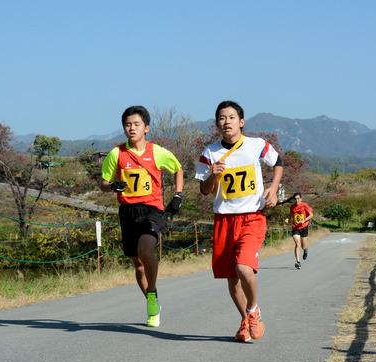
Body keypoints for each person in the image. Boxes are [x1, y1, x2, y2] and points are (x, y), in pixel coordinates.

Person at [195, 100, 283, 342]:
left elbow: (278, 163)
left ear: (241, 122)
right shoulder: (210, 153)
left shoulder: (256, 145)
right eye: (222, 118)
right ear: (216, 124)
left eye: (231, 117)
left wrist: (274, 190)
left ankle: (253, 311)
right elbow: (204, 190)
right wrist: (213, 176)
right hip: (224, 219)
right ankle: (245, 320)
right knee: (232, 279)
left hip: (252, 217)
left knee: (244, 267)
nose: (227, 122)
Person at [99, 105, 184, 327]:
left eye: (136, 124)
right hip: (127, 212)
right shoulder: (116, 154)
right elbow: (103, 182)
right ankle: (151, 301)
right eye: (128, 125)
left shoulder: (157, 152)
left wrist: (177, 195)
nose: (131, 128)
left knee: (146, 249)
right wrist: (112, 186)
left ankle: (153, 293)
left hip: (152, 210)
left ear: (146, 128)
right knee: (137, 264)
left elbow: (178, 168)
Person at [287, 192, 313, 269]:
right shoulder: (292, 207)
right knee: (297, 244)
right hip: (295, 228)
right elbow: (290, 214)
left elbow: (311, 215)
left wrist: (304, 220)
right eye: (295, 199)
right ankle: (298, 262)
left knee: (303, 246)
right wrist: (287, 218)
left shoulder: (304, 205)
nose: (297, 200)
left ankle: (305, 250)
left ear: (301, 199)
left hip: (304, 227)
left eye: (298, 198)